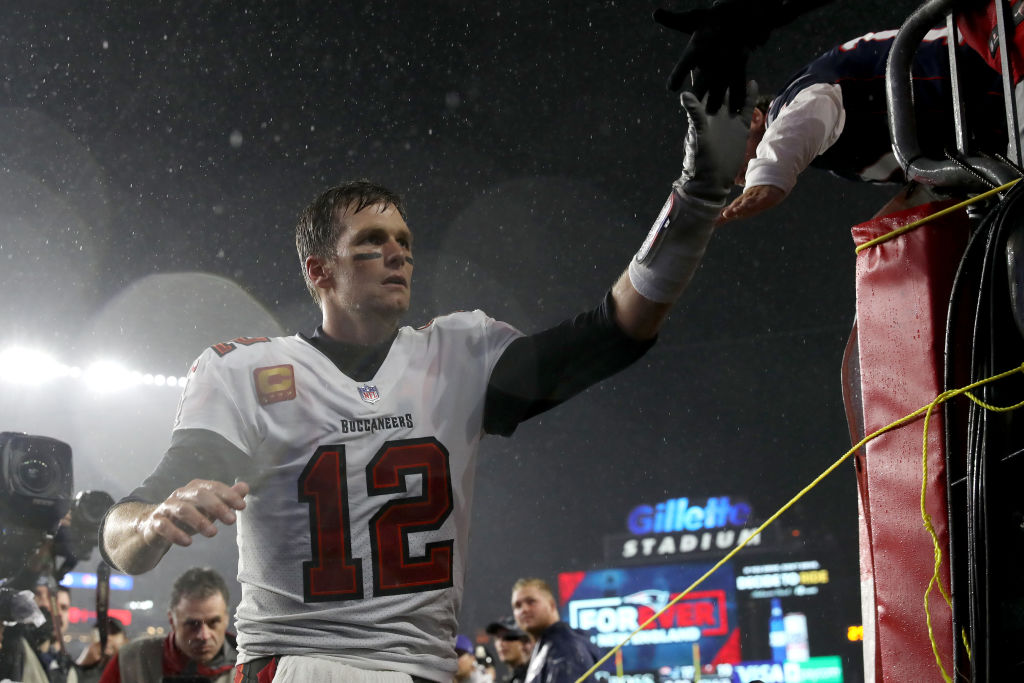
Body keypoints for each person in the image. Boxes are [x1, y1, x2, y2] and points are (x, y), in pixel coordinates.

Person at [98, 80, 756, 683]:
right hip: (300, 664)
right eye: (373, 241)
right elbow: (124, 538)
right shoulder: (251, 374)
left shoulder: (457, 356)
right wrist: (152, 524)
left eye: (405, 241)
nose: (399, 253)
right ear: (319, 271)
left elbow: (611, 333)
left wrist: (696, 201)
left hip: (420, 668)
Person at [716, 26, 1008, 225]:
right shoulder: (828, 153)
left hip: (1002, 69)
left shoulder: (794, 102)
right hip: (998, 124)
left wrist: (769, 173)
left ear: (753, 117)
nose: (730, 178)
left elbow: (812, 109)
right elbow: (938, 175)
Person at [97, 567, 236, 683]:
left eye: (213, 623)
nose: (204, 635)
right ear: (172, 620)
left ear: (227, 619)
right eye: (193, 624)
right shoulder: (131, 661)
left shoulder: (250, 666)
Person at [510, 579, 601, 683]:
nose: (523, 609)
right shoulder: (548, 647)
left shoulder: (564, 648)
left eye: (531, 602)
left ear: (552, 604)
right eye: (517, 606)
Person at [75, 618, 127, 683]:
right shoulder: (86, 669)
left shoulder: (131, 668)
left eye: (113, 632)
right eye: (101, 633)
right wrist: (84, 663)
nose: (107, 637)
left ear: (125, 640)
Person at [484, 617, 531, 683]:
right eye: (497, 638)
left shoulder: (538, 674)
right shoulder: (514, 678)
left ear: (525, 643)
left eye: (507, 638)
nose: (500, 643)